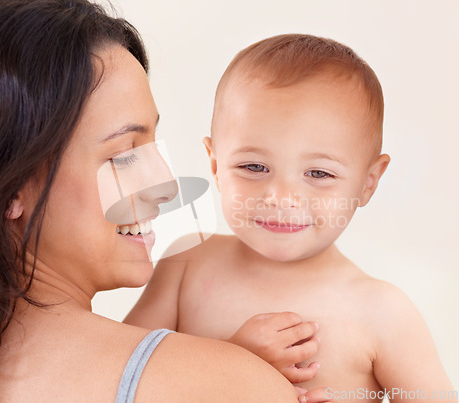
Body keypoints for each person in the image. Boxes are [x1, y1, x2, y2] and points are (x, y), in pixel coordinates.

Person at [0, 2, 314, 401]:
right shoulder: (226, 383)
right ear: (8, 189)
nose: (166, 185)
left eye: (151, 146)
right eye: (124, 153)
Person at [126, 34, 457, 400]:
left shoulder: (384, 313)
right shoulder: (186, 263)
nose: (281, 198)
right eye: (254, 166)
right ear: (216, 165)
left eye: (318, 174)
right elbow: (118, 377)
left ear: (368, 182)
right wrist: (232, 361)